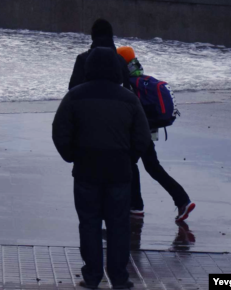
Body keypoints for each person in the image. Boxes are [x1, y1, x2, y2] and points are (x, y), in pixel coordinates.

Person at [53, 47, 153, 290]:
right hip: (119, 173)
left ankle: (92, 276)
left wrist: (71, 156)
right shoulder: (129, 99)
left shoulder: (74, 96)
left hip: (86, 171)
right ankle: (119, 278)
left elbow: (59, 131)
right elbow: (142, 137)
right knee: (119, 225)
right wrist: (129, 159)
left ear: (89, 68)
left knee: (89, 224)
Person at [115, 46, 195, 222]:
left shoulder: (126, 79)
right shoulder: (138, 74)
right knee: (151, 167)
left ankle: (137, 206)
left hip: (137, 131)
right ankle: (182, 200)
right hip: (147, 129)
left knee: (131, 164)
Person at [70, 19, 132, 91]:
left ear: (92, 36)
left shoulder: (82, 59)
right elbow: (127, 89)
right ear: (111, 35)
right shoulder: (121, 61)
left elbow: (72, 90)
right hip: (115, 101)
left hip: (88, 101)